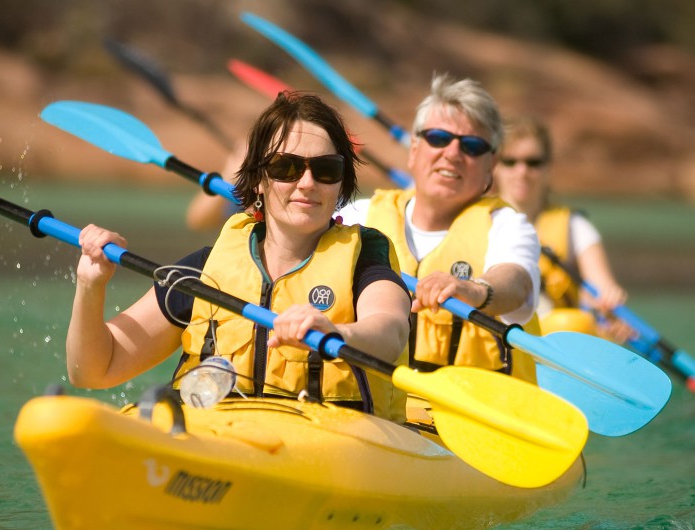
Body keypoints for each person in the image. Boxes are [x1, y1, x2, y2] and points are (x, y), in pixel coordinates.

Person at [67, 91, 413, 422]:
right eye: (286, 168)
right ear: (259, 179)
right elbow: (95, 371)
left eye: (325, 170)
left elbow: (389, 332)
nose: (308, 182)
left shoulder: (366, 255)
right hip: (220, 435)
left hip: (330, 445)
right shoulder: (206, 268)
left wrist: (336, 333)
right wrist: (90, 285)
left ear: (340, 182)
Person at [336, 73, 540, 382]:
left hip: (468, 415)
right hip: (380, 416)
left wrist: (473, 290)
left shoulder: (507, 226)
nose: (453, 153)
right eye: (438, 139)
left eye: (471, 146)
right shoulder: (357, 217)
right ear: (415, 148)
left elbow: (516, 282)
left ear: (491, 164)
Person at [494, 116, 633, 342]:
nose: (522, 172)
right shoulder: (478, 220)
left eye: (533, 162)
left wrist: (609, 307)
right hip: (498, 340)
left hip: (555, 341)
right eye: (510, 161)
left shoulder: (575, 227)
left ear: (548, 168)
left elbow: (603, 286)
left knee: (576, 322)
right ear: (495, 166)